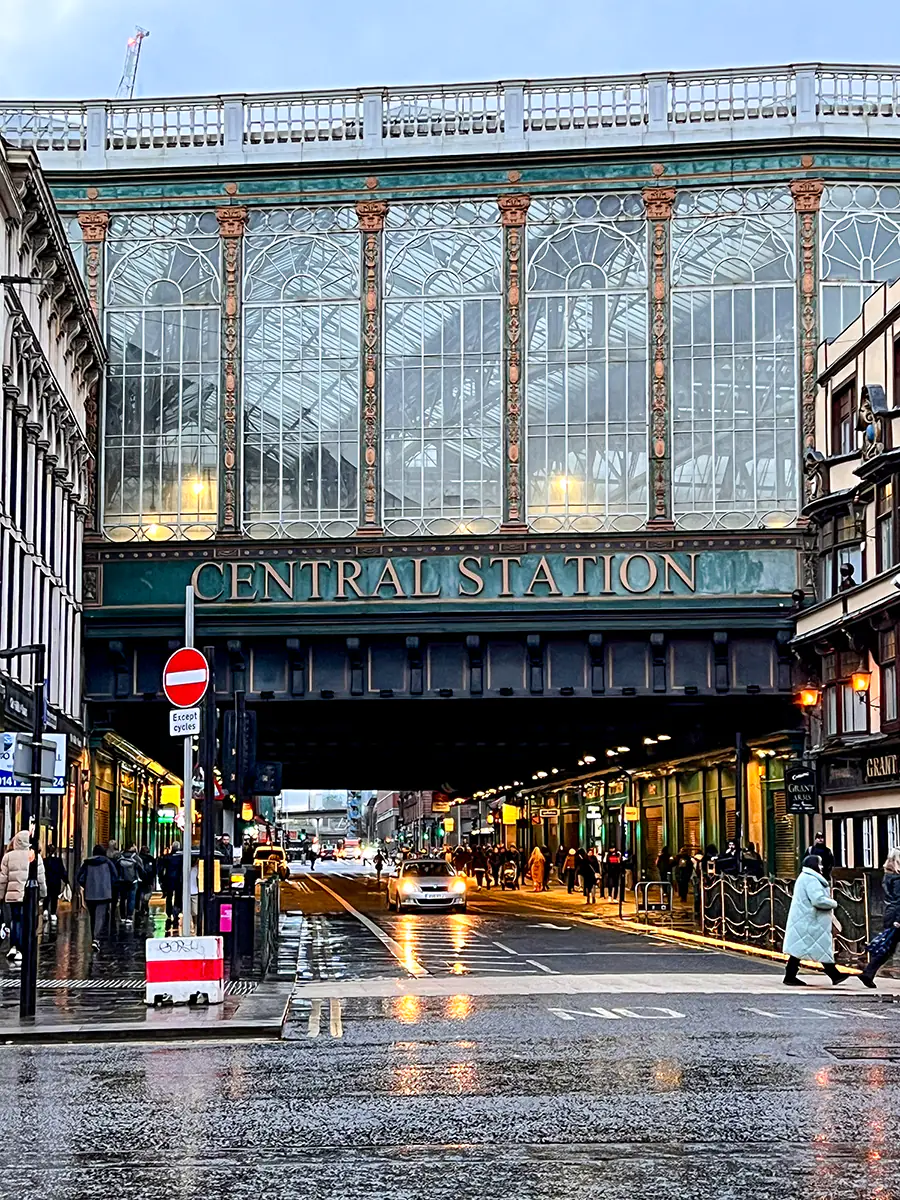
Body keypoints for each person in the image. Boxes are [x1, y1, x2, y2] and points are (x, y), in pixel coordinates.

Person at [782, 854, 850, 987]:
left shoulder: (804, 877)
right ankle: (834, 974)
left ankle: (833, 974)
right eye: (819, 863)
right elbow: (817, 900)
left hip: (804, 919)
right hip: (811, 919)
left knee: (803, 948)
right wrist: (833, 903)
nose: (822, 866)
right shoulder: (812, 879)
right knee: (817, 946)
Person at [0, 831, 46, 964]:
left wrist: (1, 895)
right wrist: (43, 893)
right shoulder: (34, 856)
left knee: (15, 920)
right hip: (28, 896)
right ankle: (20, 948)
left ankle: (13, 946)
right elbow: (41, 878)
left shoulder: (8, 857)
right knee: (26, 921)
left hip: (12, 896)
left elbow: (3, 879)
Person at [860, 848, 900, 987]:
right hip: (897, 914)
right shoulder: (897, 879)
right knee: (888, 945)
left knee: (888, 946)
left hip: (891, 912)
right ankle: (868, 973)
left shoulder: (888, 875)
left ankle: (868, 973)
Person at [76, 844, 116, 951]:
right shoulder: (107, 862)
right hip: (104, 894)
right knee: (100, 917)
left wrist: (87, 885)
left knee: (93, 917)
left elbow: (79, 877)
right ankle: (96, 939)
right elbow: (115, 876)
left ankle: (94, 938)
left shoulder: (87, 863)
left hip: (90, 894)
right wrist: (108, 886)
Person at [117, 843, 144, 926]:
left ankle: (122, 916)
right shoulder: (135, 857)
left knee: (122, 898)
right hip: (133, 881)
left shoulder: (120, 856)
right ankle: (129, 917)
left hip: (122, 880)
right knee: (131, 898)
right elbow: (141, 868)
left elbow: (116, 868)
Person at [42, 844, 69, 926]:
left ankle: (45, 910)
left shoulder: (45, 861)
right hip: (56, 882)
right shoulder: (58, 861)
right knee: (54, 898)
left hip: (47, 881)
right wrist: (66, 881)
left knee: (46, 896)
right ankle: (53, 913)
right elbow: (62, 871)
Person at [136, 845, 156, 921]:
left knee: (140, 893)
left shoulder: (137, 858)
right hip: (149, 880)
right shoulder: (151, 859)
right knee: (147, 893)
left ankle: (140, 907)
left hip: (140, 880)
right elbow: (154, 871)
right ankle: (144, 905)